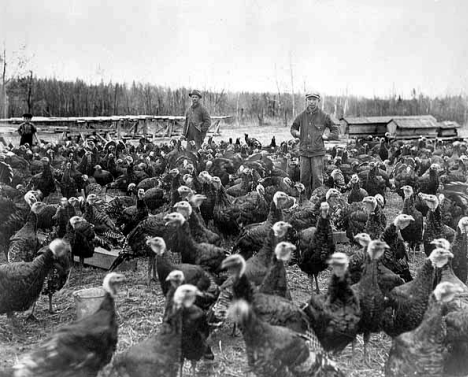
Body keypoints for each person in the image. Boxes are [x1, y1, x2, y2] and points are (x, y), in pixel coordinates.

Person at [290, 92, 340, 198]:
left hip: (317, 153)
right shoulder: (301, 116)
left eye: (314, 99)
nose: (312, 102)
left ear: (318, 101)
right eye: (309, 99)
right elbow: (293, 128)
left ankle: (317, 201)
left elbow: (335, 130)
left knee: (317, 179)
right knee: (304, 178)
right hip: (304, 152)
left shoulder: (324, 116)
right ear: (306, 101)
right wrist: (296, 133)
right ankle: (304, 201)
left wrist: (327, 136)